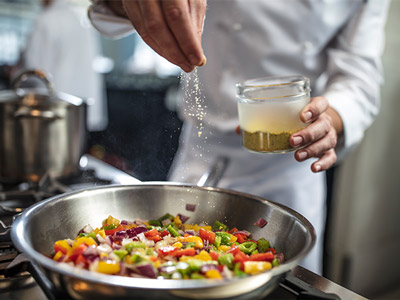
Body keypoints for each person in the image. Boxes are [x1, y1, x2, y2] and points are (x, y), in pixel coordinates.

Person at [88, 0, 390, 274]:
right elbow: (110, 12)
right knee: (174, 269)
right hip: (200, 152)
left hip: (287, 171)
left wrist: (331, 119)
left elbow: (359, 76)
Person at [16, 0, 107, 131]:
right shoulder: (81, 19)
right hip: (84, 108)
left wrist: (15, 74)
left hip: (53, 110)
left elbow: (35, 71)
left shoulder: (45, 20)